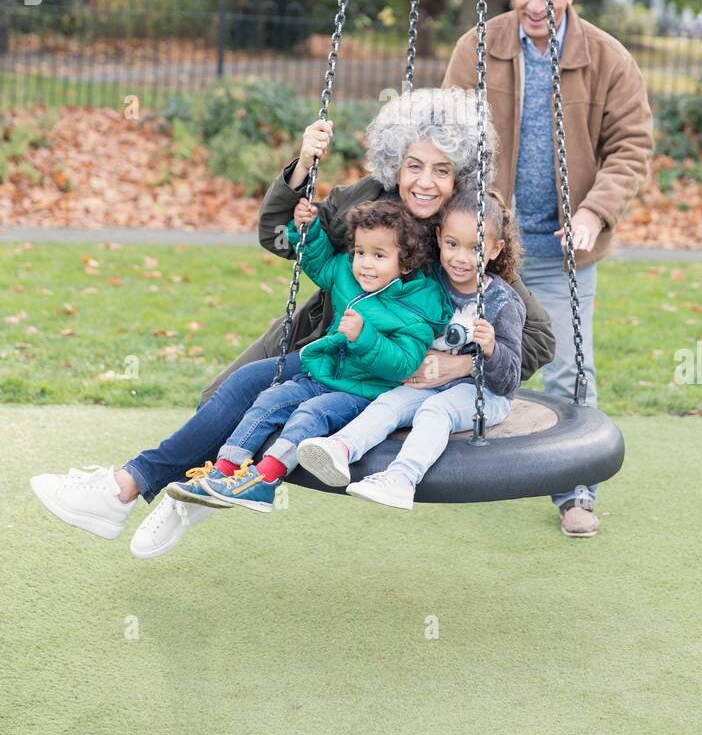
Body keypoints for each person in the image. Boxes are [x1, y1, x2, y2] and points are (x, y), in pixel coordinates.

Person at [29, 89, 554, 558]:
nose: (425, 182)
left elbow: (536, 337)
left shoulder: (465, 235)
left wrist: (455, 364)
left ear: (461, 173)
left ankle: (155, 490)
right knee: (231, 392)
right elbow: (279, 235)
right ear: (396, 162)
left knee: (260, 400)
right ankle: (159, 489)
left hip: (385, 379)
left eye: (442, 170)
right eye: (414, 165)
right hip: (327, 343)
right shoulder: (366, 203)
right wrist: (303, 166)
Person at [443, 0, 654, 538]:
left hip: (563, 249)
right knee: (455, 349)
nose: (537, 5)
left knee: (566, 368)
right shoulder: (478, 49)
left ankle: (574, 491)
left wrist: (594, 212)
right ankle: (434, 460)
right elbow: (450, 133)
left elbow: (632, 146)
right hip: (484, 247)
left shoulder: (608, 59)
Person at [163, 197, 453, 513]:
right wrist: (308, 229)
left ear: (406, 262)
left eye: (379, 255)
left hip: (362, 393)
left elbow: (404, 365)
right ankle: (224, 471)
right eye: (359, 252)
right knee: (270, 400)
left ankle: (264, 481)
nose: (365, 263)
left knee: (311, 413)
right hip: (321, 372)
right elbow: (318, 263)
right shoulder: (348, 274)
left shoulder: (416, 310)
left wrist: (365, 338)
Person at [298, 188, 525, 510]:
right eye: (451, 245)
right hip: (430, 385)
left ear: (495, 249)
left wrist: (490, 351)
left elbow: (510, 379)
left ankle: (402, 479)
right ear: (438, 238)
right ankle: (340, 449)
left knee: (436, 411)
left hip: (483, 394)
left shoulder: (502, 303)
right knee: (390, 402)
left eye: (474, 248)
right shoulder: (429, 284)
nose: (460, 257)